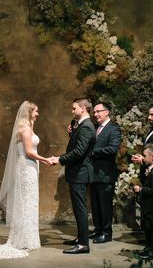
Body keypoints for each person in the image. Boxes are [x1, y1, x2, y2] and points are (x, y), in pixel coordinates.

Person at [0, 101, 52, 259]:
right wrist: (46, 159)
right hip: (27, 167)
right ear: (29, 112)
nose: (38, 114)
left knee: (28, 201)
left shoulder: (24, 128)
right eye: (36, 111)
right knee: (27, 201)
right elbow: (29, 152)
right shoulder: (26, 129)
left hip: (27, 166)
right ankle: (25, 239)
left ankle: (27, 237)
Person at [51, 98, 96, 254]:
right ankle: (80, 238)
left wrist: (59, 159)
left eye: (74, 108)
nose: (72, 111)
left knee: (80, 208)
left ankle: (83, 244)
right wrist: (72, 133)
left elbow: (79, 152)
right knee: (78, 208)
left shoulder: (87, 127)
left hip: (80, 173)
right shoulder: (82, 126)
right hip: (77, 173)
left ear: (83, 108)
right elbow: (77, 146)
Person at [89, 102, 121, 243]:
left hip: (106, 174)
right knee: (95, 204)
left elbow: (112, 149)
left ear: (107, 112)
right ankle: (98, 230)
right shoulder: (95, 128)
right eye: (94, 112)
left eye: (98, 111)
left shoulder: (113, 129)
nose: (95, 115)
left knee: (105, 205)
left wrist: (93, 152)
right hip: (93, 173)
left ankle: (106, 233)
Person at [133, 144, 153, 260]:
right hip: (148, 207)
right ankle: (148, 247)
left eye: (145, 156)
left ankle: (152, 251)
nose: (143, 158)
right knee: (148, 228)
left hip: (152, 208)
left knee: (152, 229)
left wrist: (141, 189)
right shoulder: (149, 169)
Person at [132, 104, 153, 183]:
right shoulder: (152, 130)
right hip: (147, 175)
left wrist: (143, 159)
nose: (149, 117)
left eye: (152, 115)